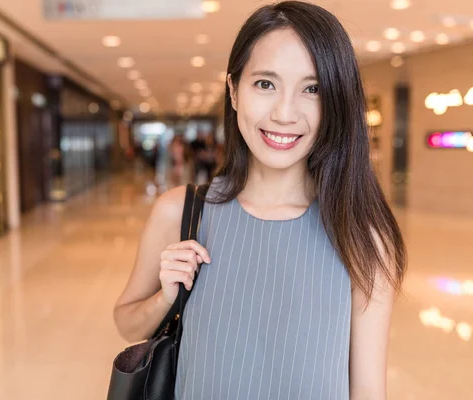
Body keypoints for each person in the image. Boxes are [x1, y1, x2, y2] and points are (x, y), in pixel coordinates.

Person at [113, 2, 406, 399]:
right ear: (233, 90)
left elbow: (369, 389)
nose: (285, 113)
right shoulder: (181, 211)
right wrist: (167, 295)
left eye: (312, 89)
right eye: (265, 84)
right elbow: (128, 324)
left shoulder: (361, 234)